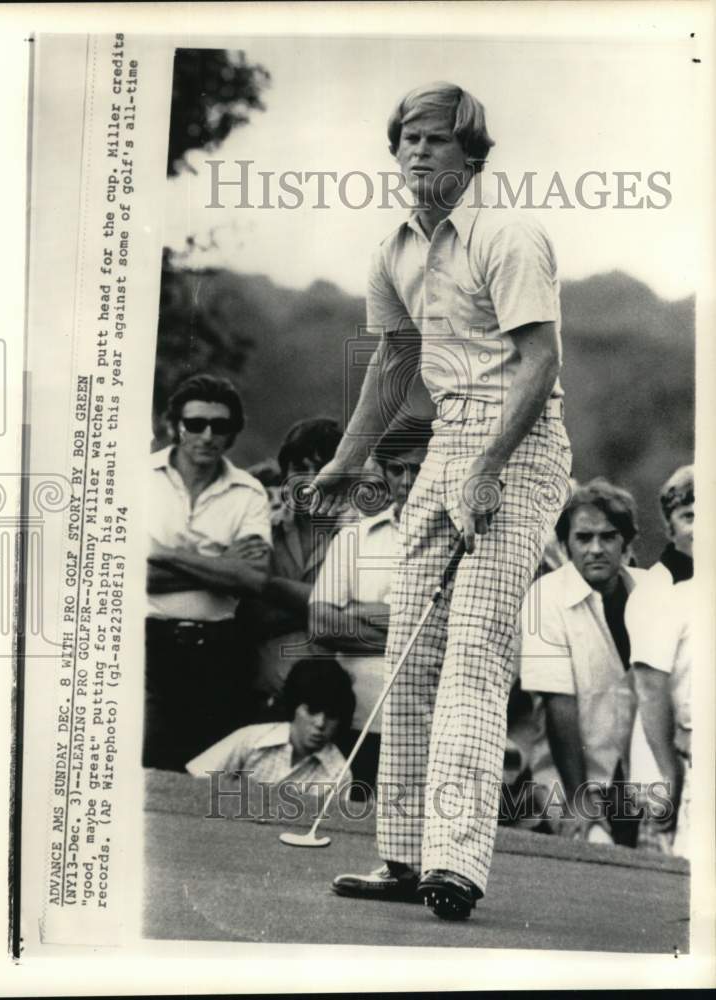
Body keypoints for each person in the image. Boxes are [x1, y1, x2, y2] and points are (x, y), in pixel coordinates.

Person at [318, 82, 572, 919]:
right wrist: (347, 463)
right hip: (445, 444)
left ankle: (456, 864)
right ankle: (401, 857)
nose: (417, 153)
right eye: (406, 141)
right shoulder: (392, 249)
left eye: (435, 140)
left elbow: (539, 361)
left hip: (522, 444)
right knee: (410, 653)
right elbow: (393, 363)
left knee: (473, 648)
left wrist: (492, 465)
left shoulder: (509, 233)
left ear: (472, 154)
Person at [145, 374, 272, 771]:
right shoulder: (135, 479)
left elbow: (252, 580)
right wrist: (221, 563)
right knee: (144, 765)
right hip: (146, 645)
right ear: (174, 427)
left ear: (233, 433)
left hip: (217, 654)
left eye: (220, 426)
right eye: (195, 424)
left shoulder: (249, 493)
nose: (207, 435)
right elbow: (123, 575)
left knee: (204, 773)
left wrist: (162, 554)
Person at [520, 479, 648, 845]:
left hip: (642, 781)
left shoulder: (652, 592)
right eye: (584, 538)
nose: (596, 549)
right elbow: (559, 707)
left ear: (626, 544)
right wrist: (581, 805)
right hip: (568, 779)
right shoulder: (545, 597)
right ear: (565, 545)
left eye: (608, 537)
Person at [310, 421, 432, 792]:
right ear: (383, 472)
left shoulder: (464, 544)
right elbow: (322, 625)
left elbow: (448, 634)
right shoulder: (355, 538)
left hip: (427, 722)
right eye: (398, 469)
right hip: (356, 716)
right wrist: (412, 631)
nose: (408, 482)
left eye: (420, 469)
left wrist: (361, 611)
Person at [237, 418, 344, 716]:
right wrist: (323, 610)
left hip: (331, 711)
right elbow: (248, 616)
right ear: (284, 474)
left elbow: (353, 618)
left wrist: (270, 588)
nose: (310, 480)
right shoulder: (261, 530)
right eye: (300, 469)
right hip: (262, 699)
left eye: (322, 469)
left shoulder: (359, 536)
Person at [625, 465, 694, 855]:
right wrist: (668, 779)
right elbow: (650, 690)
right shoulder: (657, 589)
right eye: (689, 517)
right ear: (669, 527)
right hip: (668, 766)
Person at [186, 658, 355, 801]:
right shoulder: (251, 738)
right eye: (312, 710)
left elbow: (326, 829)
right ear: (294, 706)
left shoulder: (339, 773)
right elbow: (194, 787)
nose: (320, 723)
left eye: (332, 715)